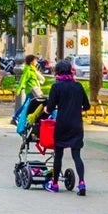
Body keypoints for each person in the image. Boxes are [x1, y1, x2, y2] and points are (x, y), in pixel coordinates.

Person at [43, 58, 90, 195]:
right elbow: (87, 106)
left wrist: (45, 110)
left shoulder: (56, 87)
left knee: (58, 155)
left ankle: (55, 184)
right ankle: (82, 183)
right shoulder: (78, 86)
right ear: (70, 71)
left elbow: (50, 108)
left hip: (62, 124)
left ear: (57, 72)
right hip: (76, 124)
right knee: (77, 155)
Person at [10, 54, 45, 125]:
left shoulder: (33, 69)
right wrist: (18, 90)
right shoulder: (28, 69)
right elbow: (22, 80)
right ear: (31, 61)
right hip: (31, 91)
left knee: (27, 105)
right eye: (35, 60)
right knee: (30, 105)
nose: (36, 62)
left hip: (34, 90)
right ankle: (18, 118)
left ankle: (17, 118)